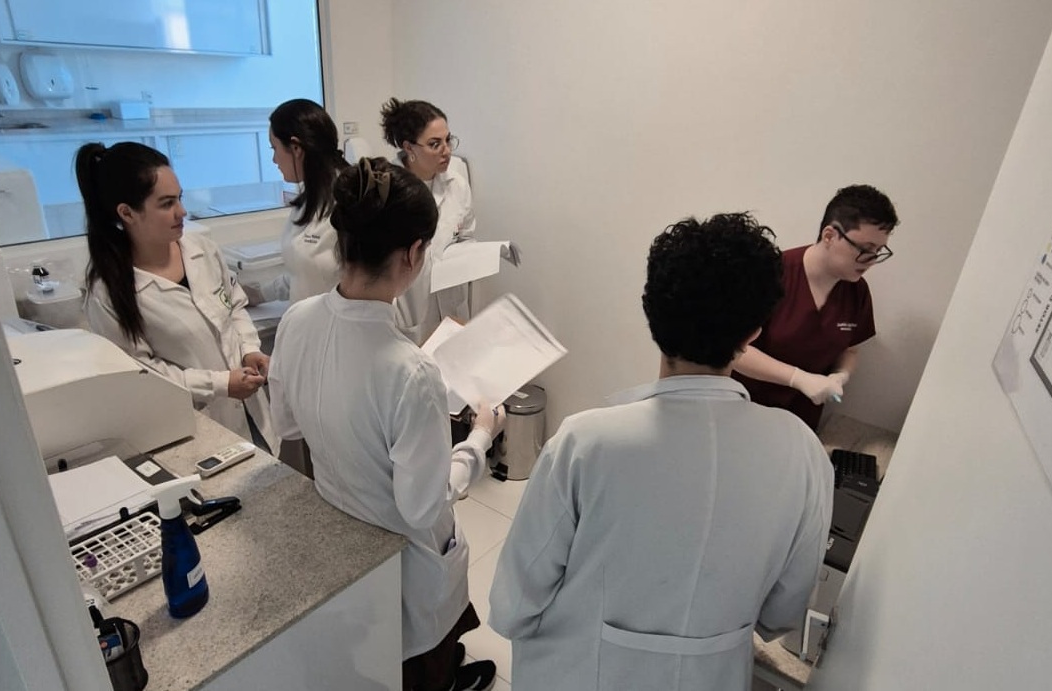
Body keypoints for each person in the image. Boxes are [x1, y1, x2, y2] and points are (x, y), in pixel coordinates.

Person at [488, 213, 834, 691]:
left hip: (577, 673)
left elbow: (517, 598)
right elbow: (782, 614)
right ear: (754, 333)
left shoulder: (586, 443)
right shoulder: (803, 453)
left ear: (652, 316)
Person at [267, 157, 503, 691]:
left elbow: (287, 423)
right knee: (416, 651)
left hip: (341, 526)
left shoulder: (297, 320)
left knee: (376, 652)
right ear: (414, 253)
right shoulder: (411, 372)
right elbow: (422, 505)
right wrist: (480, 436)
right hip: (404, 550)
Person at [78, 142, 276, 453]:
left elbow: (234, 305)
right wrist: (219, 384)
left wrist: (250, 349)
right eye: (167, 203)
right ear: (127, 213)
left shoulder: (201, 250)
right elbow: (143, 374)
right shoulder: (108, 293)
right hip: (195, 427)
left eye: (179, 198)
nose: (182, 211)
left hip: (253, 412)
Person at [731, 184, 899, 430]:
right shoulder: (772, 273)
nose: (871, 260)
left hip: (800, 421)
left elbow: (850, 350)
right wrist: (797, 378)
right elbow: (732, 350)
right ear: (829, 235)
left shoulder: (857, 291)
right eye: (865, 249)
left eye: (878, 251)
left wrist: (840, 375)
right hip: (743, 409)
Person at [380, 97, 475, 343]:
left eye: (448, 140)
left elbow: (465, 236)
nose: (447, 151)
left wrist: (476, 254)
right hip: (409, 311)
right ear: (409, 148)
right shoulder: (387, 192)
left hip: (452, 307)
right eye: (435, 144)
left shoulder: (457, 185)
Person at [244, 98, 347, 305]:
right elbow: (303, 273)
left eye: (274, 148)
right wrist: (259, 294)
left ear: (296, 148)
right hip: (306, 319)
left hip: (338, 321)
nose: (274, 160)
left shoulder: (348, 202)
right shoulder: (310, 199)